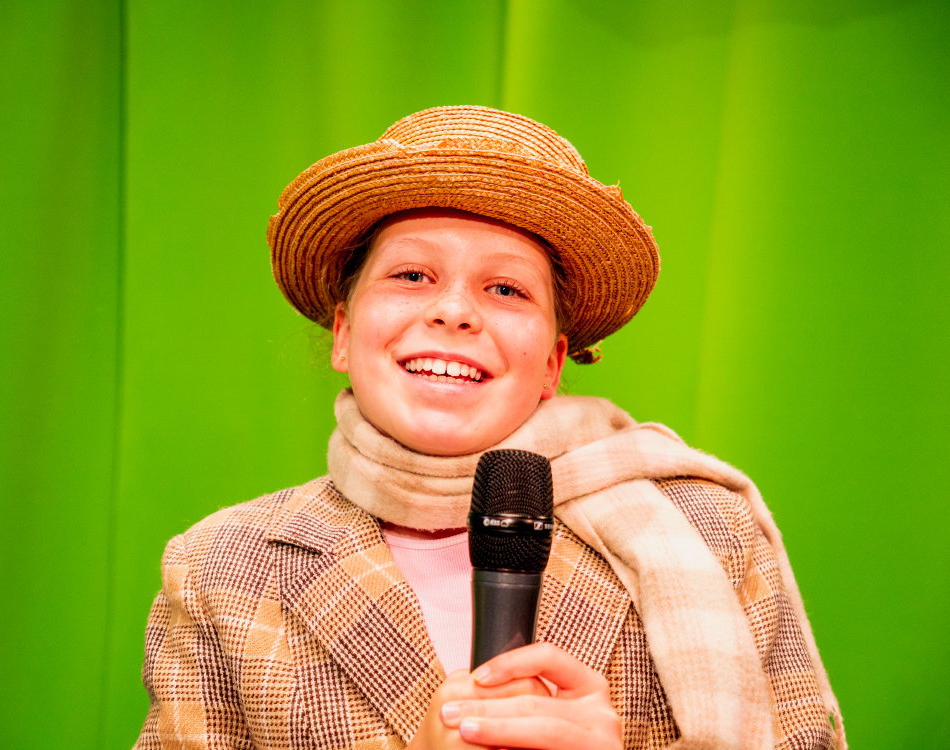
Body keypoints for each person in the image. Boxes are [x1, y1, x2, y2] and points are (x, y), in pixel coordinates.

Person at [133, 106, 845, 750]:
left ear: (552, 364)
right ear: (345, 334)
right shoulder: (219, 568)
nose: (454, 312)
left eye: (505, 289)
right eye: (411, 275)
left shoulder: (710, 532)